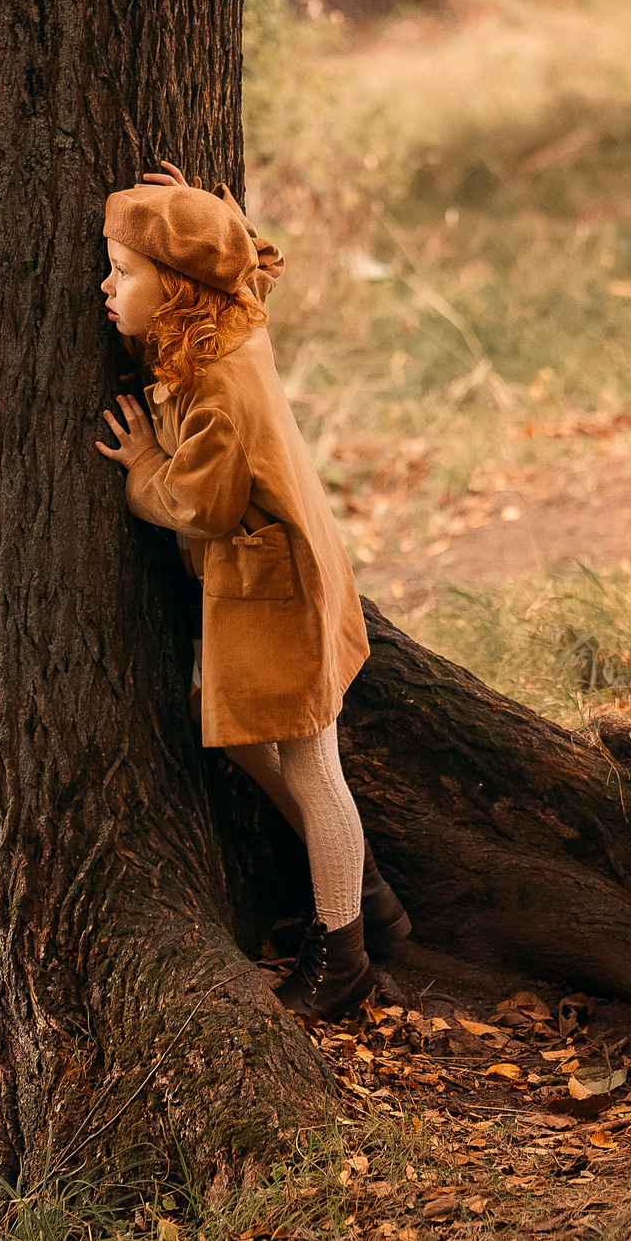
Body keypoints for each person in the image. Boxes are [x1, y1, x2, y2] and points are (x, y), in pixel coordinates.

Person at [91, 162, 407, 1020]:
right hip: (279, 578)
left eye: (125, 271)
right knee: (236, 737)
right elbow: (249, 262)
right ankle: (367, 890)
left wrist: (145, 466)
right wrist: (200, 215)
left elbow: (202, 501)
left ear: (181, 289)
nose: (106, 284)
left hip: (282, 588)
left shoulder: (218, 389)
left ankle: (343, 952)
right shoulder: (233, 319)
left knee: (313, 766)